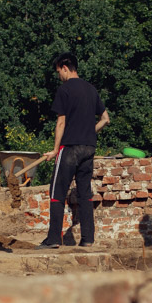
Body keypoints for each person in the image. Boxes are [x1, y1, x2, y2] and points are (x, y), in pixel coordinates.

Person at [36, 52, 110, 249]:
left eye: (59, 71)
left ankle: (53, 239)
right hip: (89, 147)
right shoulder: (91, 89)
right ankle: (88, 239)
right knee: (85, 194)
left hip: (69, 148)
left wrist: (54, 150)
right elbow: (105, 118)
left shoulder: (65, 89)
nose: (59, 75)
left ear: (65, 67)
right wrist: (88, 131)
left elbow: (61, 122)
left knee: (56, 192)